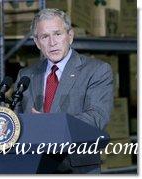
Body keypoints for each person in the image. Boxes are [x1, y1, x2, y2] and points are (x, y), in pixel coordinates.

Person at [14, 9, 114, 174]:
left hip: (76, 167)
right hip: (34, 166)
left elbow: (97, 118)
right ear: (37, 42)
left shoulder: (97, 71)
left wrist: (51, 125)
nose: (52, 42)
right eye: (45, 37)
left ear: (70, 36)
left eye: (58, 34)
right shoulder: (26, 75)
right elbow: (17, 119)